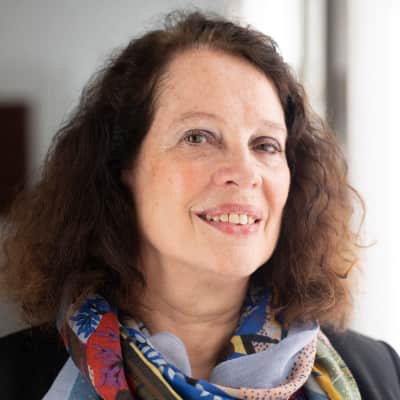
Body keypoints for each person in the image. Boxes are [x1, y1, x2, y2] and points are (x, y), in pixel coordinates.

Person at [1, 10, 399, 400]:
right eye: (198, 137)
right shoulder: (12, 378)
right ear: (123, 165)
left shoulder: (381, 375)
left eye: (265, 145)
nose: (245, 172)